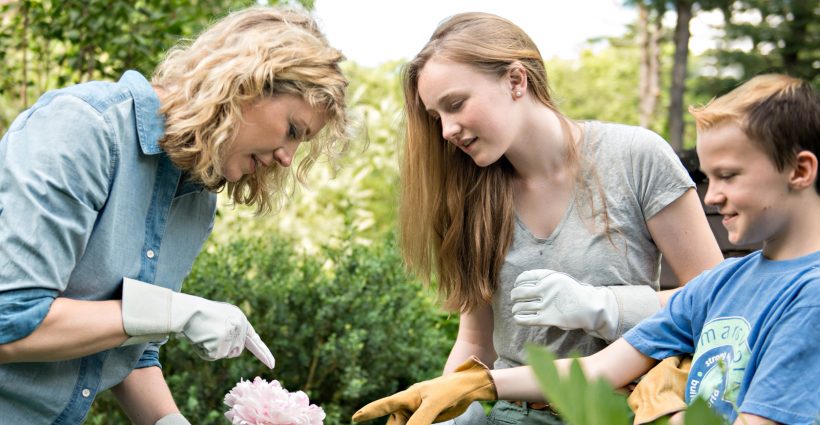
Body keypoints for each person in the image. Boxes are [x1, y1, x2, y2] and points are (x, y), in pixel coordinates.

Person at [352, 74, 820, 425]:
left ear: (800, 171)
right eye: (709, 177)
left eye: (729, 176)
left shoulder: (810, 295)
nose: (711, 197)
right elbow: (598, 369)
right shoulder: (725, 282)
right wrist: (477, 383)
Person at [0, 6, 348, 425]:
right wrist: (175, 311)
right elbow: (11, 319)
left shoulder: (197, 197)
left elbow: (129, 342)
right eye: (292, 130)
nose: (288, 158)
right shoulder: (83, 130)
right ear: (244, 85)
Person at [375, 11, 722, 425]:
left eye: (456, 104)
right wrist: (445, 412)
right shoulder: (470, 197)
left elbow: (718, 301)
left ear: (516, 80)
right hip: (509, 415)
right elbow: (475, 341)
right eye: (437, 117)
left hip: (614, 412)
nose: (447, 130)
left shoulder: (635, 158)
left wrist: (602, 306)